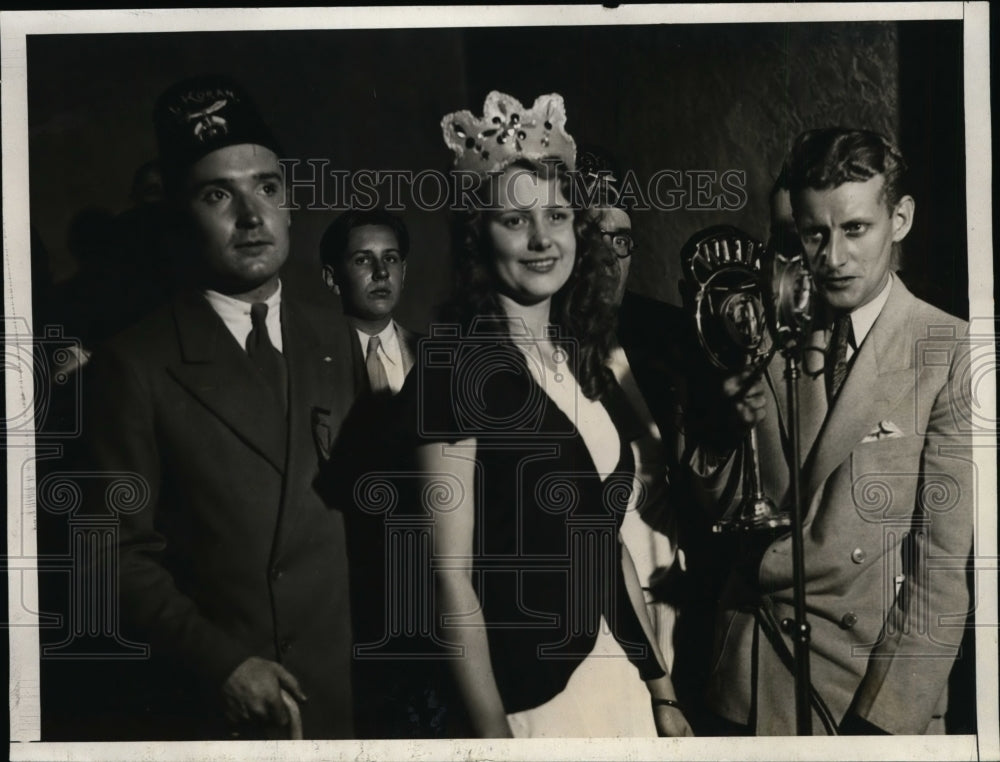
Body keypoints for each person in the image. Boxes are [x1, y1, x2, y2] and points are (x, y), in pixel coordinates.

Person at [408, 91, 693, 738]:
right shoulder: (453, 366)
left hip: (616, 677)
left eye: (557, 217)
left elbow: (604, 538)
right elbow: (449, 584)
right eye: (514, 220)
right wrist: (492, 740)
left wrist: (663, 692)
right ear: (477, 236)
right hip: (531, 698)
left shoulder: (575, 354)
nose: (542, 240)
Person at [80, 75, 357, 740]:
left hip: (346, 695)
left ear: (290, 202)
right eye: (216, 194)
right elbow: (108, 554)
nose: (252, 215)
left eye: (267, 187)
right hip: (235, 704)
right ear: (182, 215)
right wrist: (223, 665)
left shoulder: (335, 335)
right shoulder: (136, 362)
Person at [690, 127, 973, 735]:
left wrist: (881, 725)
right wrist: (719, 432)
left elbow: (942, 575)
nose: (833, 258)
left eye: (855, 229)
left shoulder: (949, 350)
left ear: (900, 218)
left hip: (863, 690)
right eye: (815, 234)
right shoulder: (767, 331)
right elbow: (731, 514)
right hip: (753, 676)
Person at [319, 208, 419, 395]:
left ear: (403, 273)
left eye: (390, 258)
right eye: (362, 260)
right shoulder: (310, 360)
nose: (381, 272)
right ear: (332, 278)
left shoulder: (434, 356)